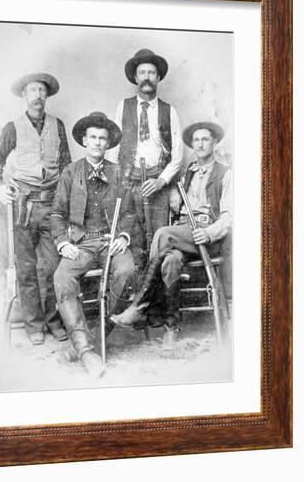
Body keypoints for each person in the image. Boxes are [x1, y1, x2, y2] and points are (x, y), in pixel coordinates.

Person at [111, 121, 232, 349]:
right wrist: (176, 194)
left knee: (163, 234)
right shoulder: (189, 173)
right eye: (196, 140)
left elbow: (229, 217)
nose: (200, 144)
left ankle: (142, 306)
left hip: (206, 237)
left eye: (205, 139)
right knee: (171, 261)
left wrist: (208, 233)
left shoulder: (226, 174)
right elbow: (181, 206)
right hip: (183, 233)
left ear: (214, 142)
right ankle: (171, 327)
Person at [51, 112, 136, 377]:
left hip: (111, 241)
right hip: (82, 243)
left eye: (103, 138)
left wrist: (123, 237)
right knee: (62, 277)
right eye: (93, 138)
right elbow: (57, 213)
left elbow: (130, 214)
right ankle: (88, 352)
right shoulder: (71, 172)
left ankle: (88, 341)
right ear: (84, 141)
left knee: (126, 271)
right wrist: (63, 242)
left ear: (108, 143)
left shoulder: (118, 172)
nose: (98, 142)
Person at [0, 72, 71, 345]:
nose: (38, 95)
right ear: (24, 96)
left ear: (47, 96)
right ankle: (33, 324)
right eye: (33, 91)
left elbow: (66, 167)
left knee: (51, 266)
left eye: (42, 91)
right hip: (23, 206)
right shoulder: (12, 128)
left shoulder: (57, 125)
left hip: (51, 205)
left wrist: (64, 201)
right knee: (26, 268)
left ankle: (53, 321)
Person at [106, 48, 183, 247]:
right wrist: (113, 183)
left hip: (157, 185)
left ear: (158, 77)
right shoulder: (123, 106)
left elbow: (177, 156)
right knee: (132, 240)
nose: (146, 77)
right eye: (142, 73)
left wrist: (161, 181)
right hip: (129, 184)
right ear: (135, 77)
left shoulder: (169, 111)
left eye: (151, 73)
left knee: (159, 242)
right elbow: (113, 148)